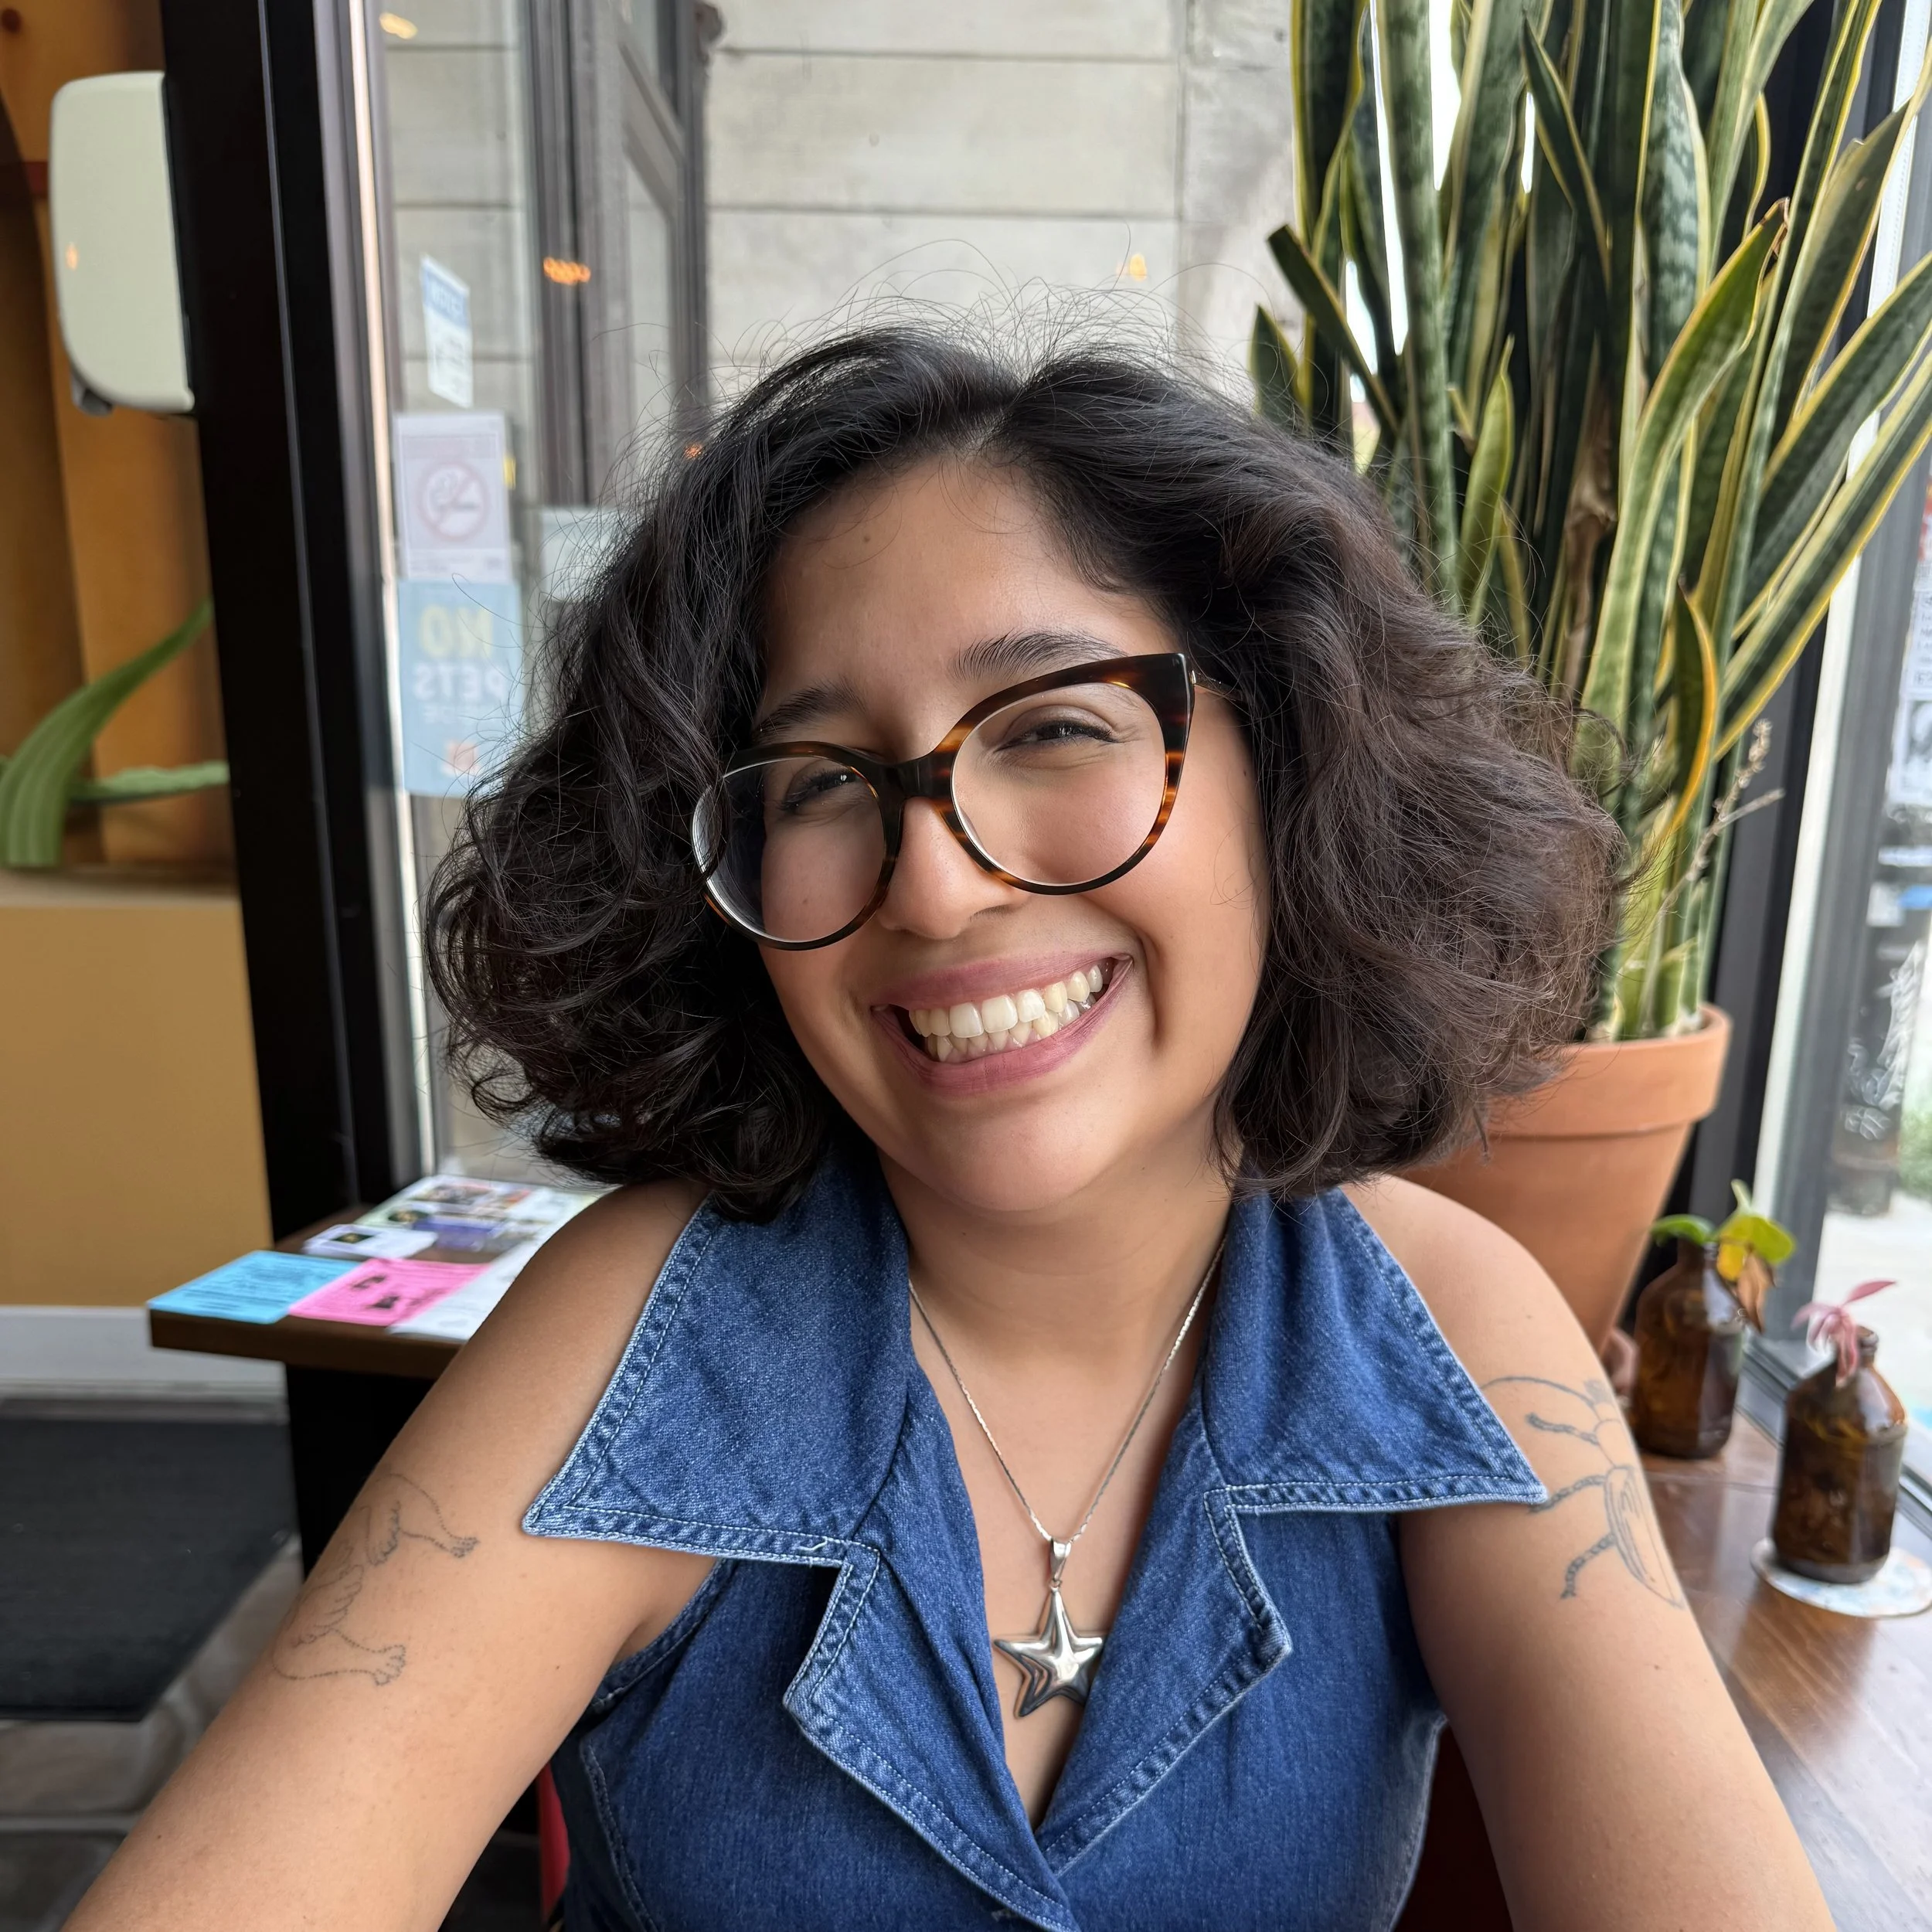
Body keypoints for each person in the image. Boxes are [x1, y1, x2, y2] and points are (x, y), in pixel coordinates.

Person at [71, 330, 1833, 1931]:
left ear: (1289, 764)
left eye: (1051, 724)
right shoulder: (639, 1334)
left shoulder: (1450, 1333)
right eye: (821, 782)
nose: (929, 882)